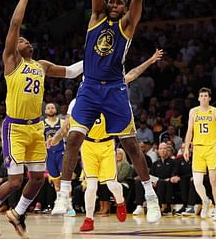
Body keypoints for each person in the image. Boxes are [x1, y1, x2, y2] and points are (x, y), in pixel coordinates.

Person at [54, 0, 161, 224]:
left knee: (130, 145)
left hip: (114, 89)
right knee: (74, 138)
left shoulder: (127, 26)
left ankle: (150, 195)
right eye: (111, 2)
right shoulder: (95, 18)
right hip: (89, 87)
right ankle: (63, 194)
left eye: (118, 3)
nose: (113, 4)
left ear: (125, 9)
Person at [0, 0, 83, 238]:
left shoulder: (42, 65)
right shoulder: (12, 61)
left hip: (36, 127)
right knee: (15, 180)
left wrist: (94, 58)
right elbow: (15, 24)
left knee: (38, 177)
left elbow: (72, 72)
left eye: (27, 40)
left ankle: (18, 213)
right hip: (14, 128)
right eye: (21, 39)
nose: (24, 40)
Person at [48, 48, 163, 231]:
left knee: (112, 184)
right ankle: (88, 219)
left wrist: (149, 60)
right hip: (88, 146)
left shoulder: (112, 83)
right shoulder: (78, 101)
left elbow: (132, 74)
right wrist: (55, 138)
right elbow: (66, 126)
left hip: (106, 144)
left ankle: (120, 202)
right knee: (91, 185)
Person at [183, 87, 216, 221]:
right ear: (198, 98)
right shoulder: (193, 111)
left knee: (214, 180)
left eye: (206, 96)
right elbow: (190, 131)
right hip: (197, 149)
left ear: (210, 98)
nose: (204, 98)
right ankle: (206, 201)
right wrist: (186, 147)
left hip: (212, 148)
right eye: (201, 96)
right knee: (197, 182)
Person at [43, 103, 64, 210]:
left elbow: (69, 137)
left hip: (61, 153)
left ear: (56, 110)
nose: (50, 110)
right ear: (45, 111)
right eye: (48, 108)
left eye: (52, 108)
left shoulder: (62, 122)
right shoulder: (41, 124)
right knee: (56, 181)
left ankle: (68, 205)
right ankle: (60, 202)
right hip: (49, 155)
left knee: (64, 178)